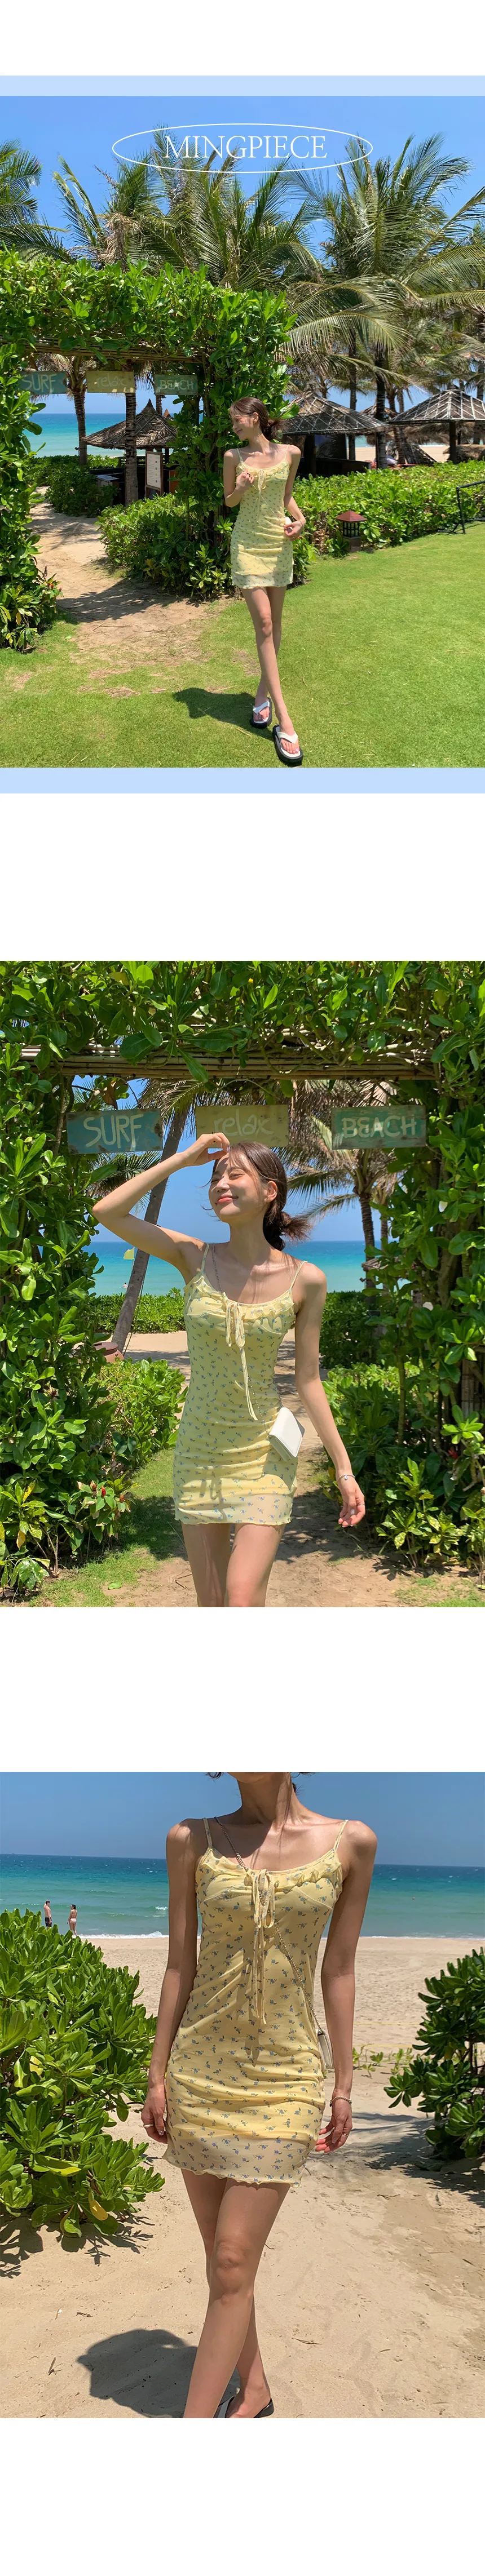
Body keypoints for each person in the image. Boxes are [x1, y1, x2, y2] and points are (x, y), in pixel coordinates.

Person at [142, 1770, 377, 2419]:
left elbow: (339, 1968)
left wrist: (343, 2083)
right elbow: (178, 1963)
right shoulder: (190, 1838)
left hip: (285, 2077)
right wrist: (157, 2073)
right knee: (225, 2263)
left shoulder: (351, 1842)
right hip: (198, 2072)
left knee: (231, 2258)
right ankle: (255, 2389)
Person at [93, 1131, 365, 1609]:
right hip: (200, 1452)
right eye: (216, 1176)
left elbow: (308, 1380)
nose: (221, 1182)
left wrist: (344, 1470)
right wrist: (181, 1160)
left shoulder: (307, 1279)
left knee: (240, 1599)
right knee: (213, 1601)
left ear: (270, 1190)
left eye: (235, 1174)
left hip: (264, 1454)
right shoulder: (194, 1257)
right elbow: (107, 1212)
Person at [223, 397, 306, 766]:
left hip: (277, 544)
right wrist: (241, 487)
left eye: (237, 420)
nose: (234, 427)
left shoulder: (291, 453)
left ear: (254, 418)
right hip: (247, 544)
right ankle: (285, 721)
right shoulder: (233, 457)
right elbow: (229, 502)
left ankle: (261, 696)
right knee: (266, 624)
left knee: (276, 624)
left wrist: (300, 520)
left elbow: (286, 497)